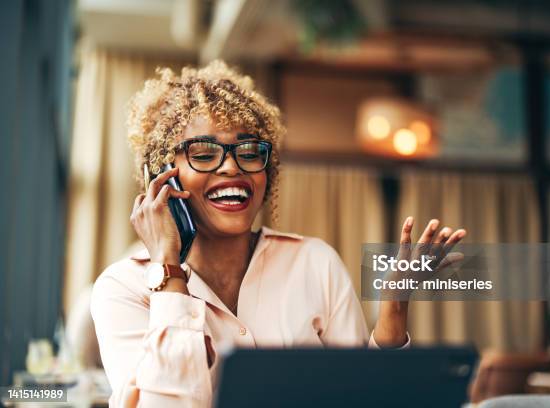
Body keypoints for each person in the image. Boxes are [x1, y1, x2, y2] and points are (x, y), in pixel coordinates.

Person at [90, 60, 466, 407]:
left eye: (250, 152)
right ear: (160, 177)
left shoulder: (315, 263)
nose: (231, 168)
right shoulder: (123, 289)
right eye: (203, 154)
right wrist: (169, 273)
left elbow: (364, 398)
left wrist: (394, 307)